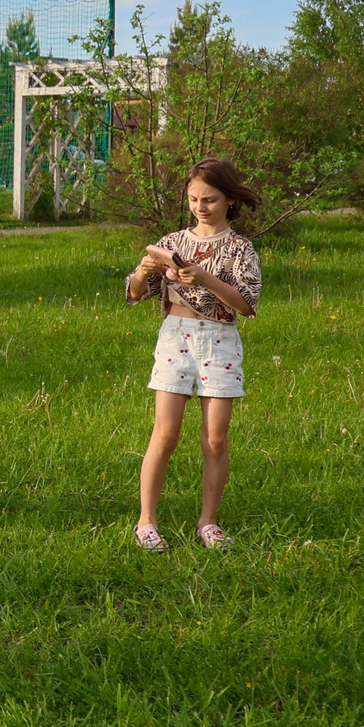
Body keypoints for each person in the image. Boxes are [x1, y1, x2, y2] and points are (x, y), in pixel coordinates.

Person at [125, 159, 264, 551]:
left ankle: (208, 523)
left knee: (215, 439)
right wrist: (143, 270)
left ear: (230, 200)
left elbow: (246, 304)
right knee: (165, 434)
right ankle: (146, 522)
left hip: (219, 340)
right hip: (175, 337)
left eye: (210, 199)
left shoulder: (241, 248)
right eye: (193, 199)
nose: (201, 207)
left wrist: (204, 277)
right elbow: (136, 294)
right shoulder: (172, 242)